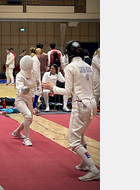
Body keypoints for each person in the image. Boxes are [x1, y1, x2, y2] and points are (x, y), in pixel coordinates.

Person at [42, 41, 100, 181]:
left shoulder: (70, 67)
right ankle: (84, 163)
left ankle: (94, 169)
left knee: (74, 142)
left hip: (81, 104)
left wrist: (52, 87)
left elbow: (67, 91)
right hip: (92, 103)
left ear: (68, 54)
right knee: (80, 135)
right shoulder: (88, 66)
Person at [12, 55, 36, 146]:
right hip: (20, 99)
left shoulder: (32, 73)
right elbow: (19, 88)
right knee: (28, 116)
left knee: (30, 120)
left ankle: (17, 132)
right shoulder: (19, 75)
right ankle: (27, 139)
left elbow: (34, 86)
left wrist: (33, 95)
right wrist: (23, 90)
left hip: (29, 99)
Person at [92, 48, 100, 113]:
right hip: (96, 77)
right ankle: (95, 105)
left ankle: (97, 104)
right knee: (96, 92)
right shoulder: (95, 59)